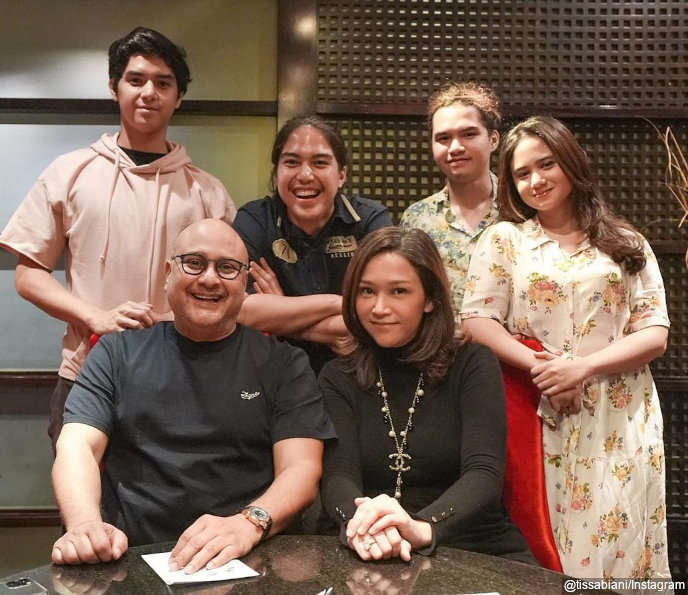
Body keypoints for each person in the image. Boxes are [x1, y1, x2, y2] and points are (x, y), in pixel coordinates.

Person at [0, 27, 236, 450]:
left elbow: (229, 289)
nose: (149, 93)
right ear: (114, 87)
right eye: (136, 80)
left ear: (178, 97)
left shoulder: (207, 192)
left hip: (183, 377)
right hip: (86, 373)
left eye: (163, 83)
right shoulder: (69, 173)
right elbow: (28, 275)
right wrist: (96, 317)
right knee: (82, 487)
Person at [50, 219, 335, 571]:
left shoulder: (284, 363)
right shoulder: (116, 353)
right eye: (194, 263)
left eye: (227, 268)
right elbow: (78, 445)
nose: (210, 279)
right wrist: (84, 525)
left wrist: (248, 523)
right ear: (168, 273)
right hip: (134, 557)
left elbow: (301, 467)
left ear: (244, 282)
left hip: (248, 556)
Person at [461, 116, 671, 578]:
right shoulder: (505, 240)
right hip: (539, 406)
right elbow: (477, 320)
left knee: (622, 539)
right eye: (521, 173)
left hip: (620, 411)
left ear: (571, 162)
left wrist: (583, 368)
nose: (535, 180)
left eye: (546, 164)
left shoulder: (626, 241)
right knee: (548, 543)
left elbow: (654, 331)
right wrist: (548, 370)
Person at [319, 227, 534, 564]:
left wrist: (423, 527)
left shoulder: (471, 363)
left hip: (472, 542)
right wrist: (360, 526)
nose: (379, 307)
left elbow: (484, 474)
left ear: (430, 299)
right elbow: (338, 476)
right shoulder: (338, 375)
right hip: (372, 542)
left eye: (399, 291)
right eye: (366, 291)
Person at [233, 115, 393, 372]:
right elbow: (239, 309)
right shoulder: (255, 220)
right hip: (274, 369)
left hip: (357, 371)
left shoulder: (369, 220)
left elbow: (382, 313)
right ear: (276, 172)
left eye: (320, 163)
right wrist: (340, 304)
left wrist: (281, 315)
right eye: (292, 162)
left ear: (341, 175)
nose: (305, 175)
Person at [400, 81, 501, 323]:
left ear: (493, 140)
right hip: (439, 346)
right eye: (443, 138)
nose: (455, 147)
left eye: (468, 134)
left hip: (509, 345)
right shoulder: (417, 218)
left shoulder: (521, 209)